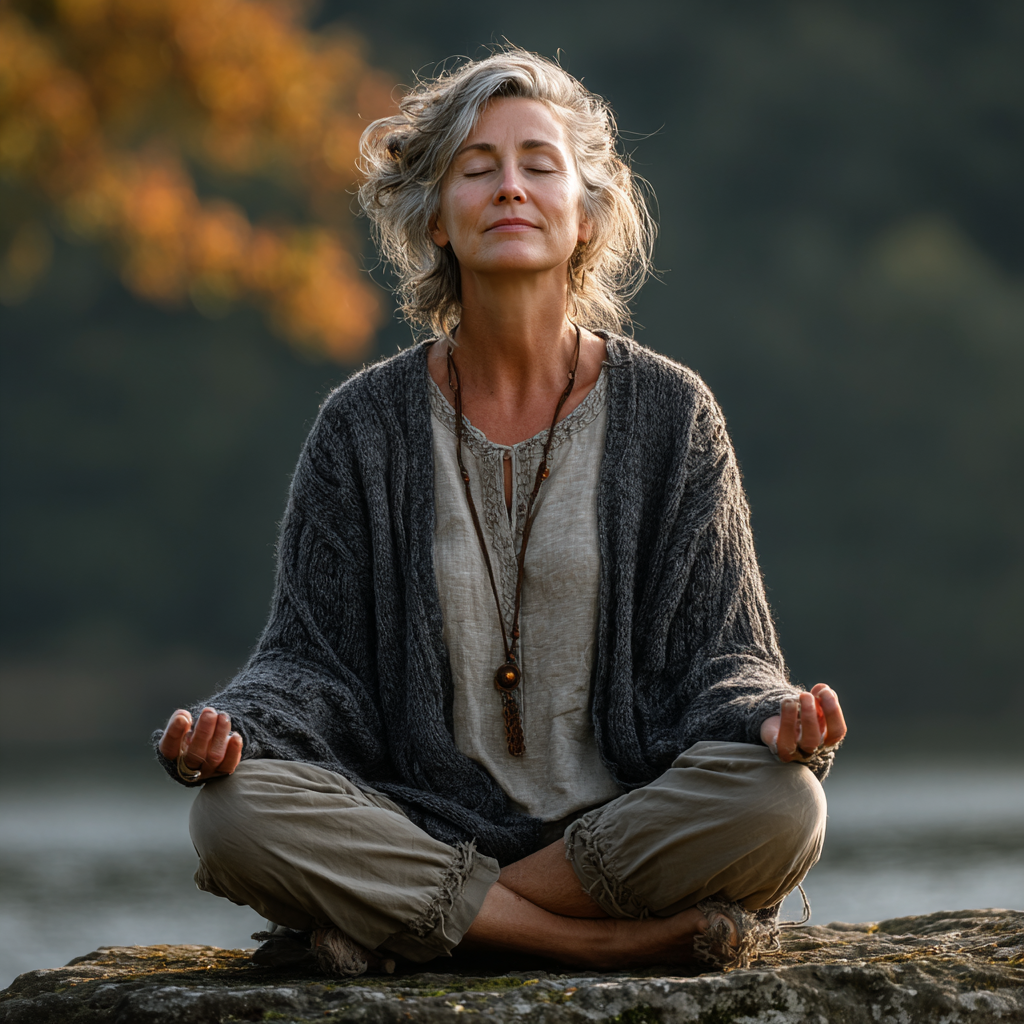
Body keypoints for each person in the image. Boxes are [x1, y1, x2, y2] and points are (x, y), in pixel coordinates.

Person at [154, 48, 847, 976]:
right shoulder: (362, 427)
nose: (509, 188)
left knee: (781, 803)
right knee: (230, 816)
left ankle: (425, 920)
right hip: (418, 818)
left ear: (588, 214)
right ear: (436, 217)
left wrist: (770, 718)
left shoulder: (673, 416)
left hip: (614, 825)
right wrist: (231, 729)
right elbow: (308, 664)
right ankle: (611, 945)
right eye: (477, 170)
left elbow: (725, 656)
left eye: (538, 165)